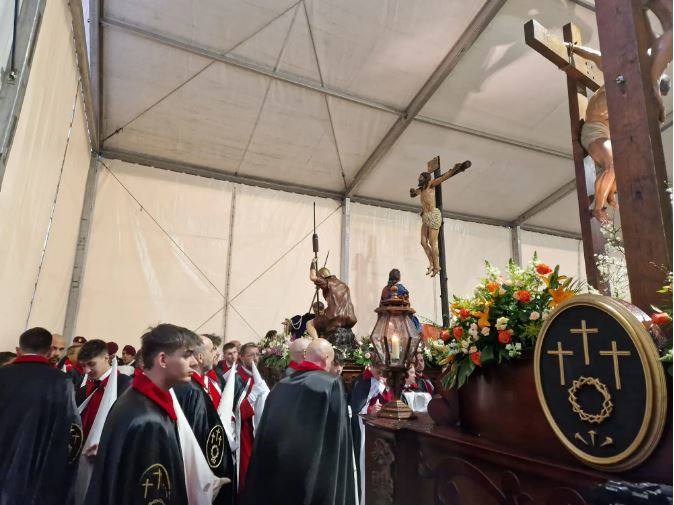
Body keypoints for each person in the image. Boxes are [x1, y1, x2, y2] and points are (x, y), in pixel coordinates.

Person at [84, 324, 201, 505]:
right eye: (186, 355)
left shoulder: (133, 399)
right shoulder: (148, 419)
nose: (194, 362)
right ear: (162, 359)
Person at [245, 339, 357, 505]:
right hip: (316, 476)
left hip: (281, 472)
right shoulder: (331, 384)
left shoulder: (280, 385)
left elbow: (266, 434)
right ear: (326, 358)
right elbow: (337, 441)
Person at [0, 327, 82, 505]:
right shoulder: (62, 382)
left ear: (19, 349)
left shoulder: (3, 375)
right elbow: (70, 428)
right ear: (48, 350)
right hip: (39, 468)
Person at [173, 335, 235, 505]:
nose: (217, 353)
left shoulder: (193, 385)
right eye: (212, 350)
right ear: (200, 357)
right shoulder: (193, 390)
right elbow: (200, 436)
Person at [410, 158, 471, 276]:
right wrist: (412, 192)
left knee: (433, 243)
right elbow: (413, 194)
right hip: (425, 217)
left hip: (433, 215)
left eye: (421, 178)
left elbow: (444, 177)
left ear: (426, 179)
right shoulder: (421, 190)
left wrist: (454, 169)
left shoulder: (431, 184)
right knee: (423, 242)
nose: (419, 180)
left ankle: (437, 266)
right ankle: (431, 263)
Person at [349, 362, 393, 500]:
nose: (381, 374)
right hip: (365, 430)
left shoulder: (383, 381)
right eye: (378, 370)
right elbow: (356, 408)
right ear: (372, 367)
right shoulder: (362, 382)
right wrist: (370, 411)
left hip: (384, 429)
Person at [76, 339, 132, 438]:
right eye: (83, 366)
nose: (86, 370)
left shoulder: (125, 386)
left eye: (91, 364)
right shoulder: (83, 390)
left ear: (106, 358)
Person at [236, 343, 269, 496]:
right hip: (244, 433)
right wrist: (253, 395)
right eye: (251, 355)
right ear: (241, 357)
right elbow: (236, 413)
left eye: (257, 354)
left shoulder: (262, 375)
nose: (255, 358)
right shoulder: (236, 379)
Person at [307, 259, 357, 343]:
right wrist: (326, 311)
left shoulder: (327, 282)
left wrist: (312, 263)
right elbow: (340, 304)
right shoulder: (344, 285)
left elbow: (312, 277)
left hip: (334, 319)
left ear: (322, 276)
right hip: (349, 319)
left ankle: (316, 343)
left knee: (309, 324)